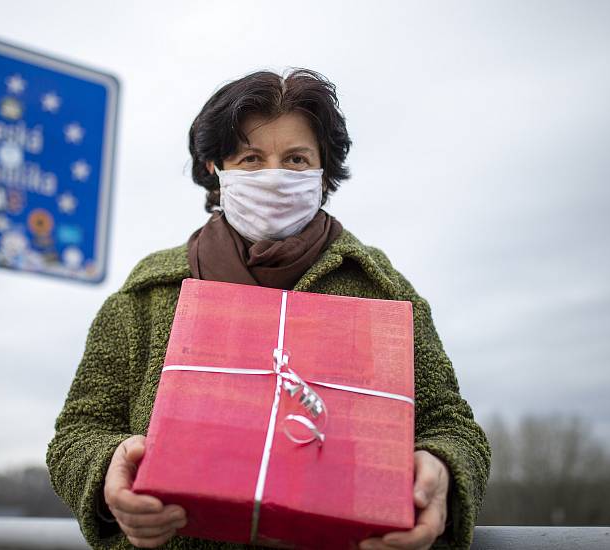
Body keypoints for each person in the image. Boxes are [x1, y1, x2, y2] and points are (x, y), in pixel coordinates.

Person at [47, 68, 491, 550]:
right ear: (216, 169)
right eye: (251, 159)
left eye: (296, 159)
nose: (274, 176)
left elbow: (451, 426)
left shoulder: (380, 291)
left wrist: (442, 470)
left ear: (324, 174)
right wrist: (108, 470)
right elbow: (79, 431)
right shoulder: (149, 296)